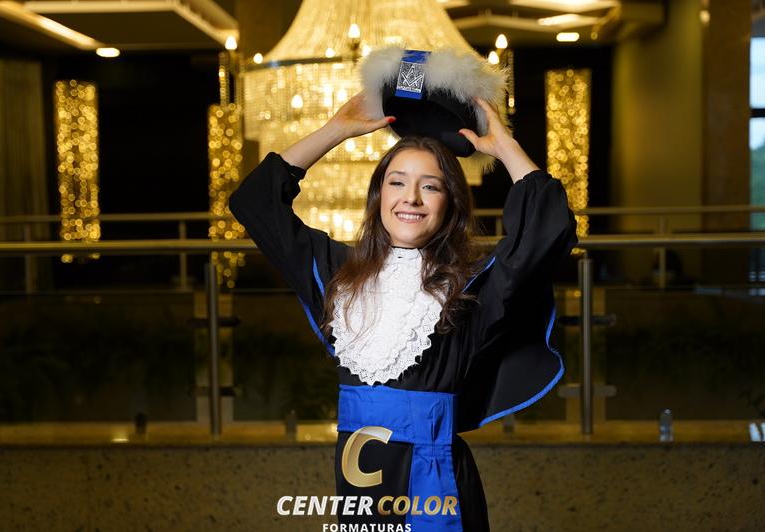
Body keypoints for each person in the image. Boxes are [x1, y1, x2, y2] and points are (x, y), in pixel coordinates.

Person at [230, 91, 579, 531]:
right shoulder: (336, 272)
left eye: (430, 186)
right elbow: (254, 201)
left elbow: (551, 225)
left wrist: (504, 146)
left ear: (451, 203)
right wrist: (336, 130)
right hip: (360, 484)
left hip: (437, 483)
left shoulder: (472, 286)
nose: (410, 198)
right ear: (378, 195)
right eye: (397, 182)